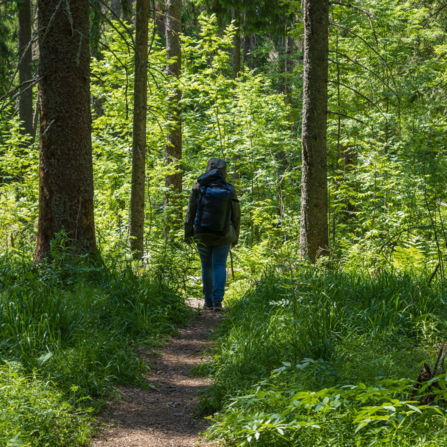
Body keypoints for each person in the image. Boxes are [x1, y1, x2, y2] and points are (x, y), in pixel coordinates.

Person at [185, 158, 241, 311]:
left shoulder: (198, 186)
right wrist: (235, 236)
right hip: (224, 234)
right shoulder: (229, 188)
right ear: (225, 171)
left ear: (207, 169)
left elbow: (190, 211)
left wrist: (188, 233)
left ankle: (207, 301)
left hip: (201, 233)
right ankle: (218, 302)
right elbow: (236, 215)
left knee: (206, 266)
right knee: (219, 265)